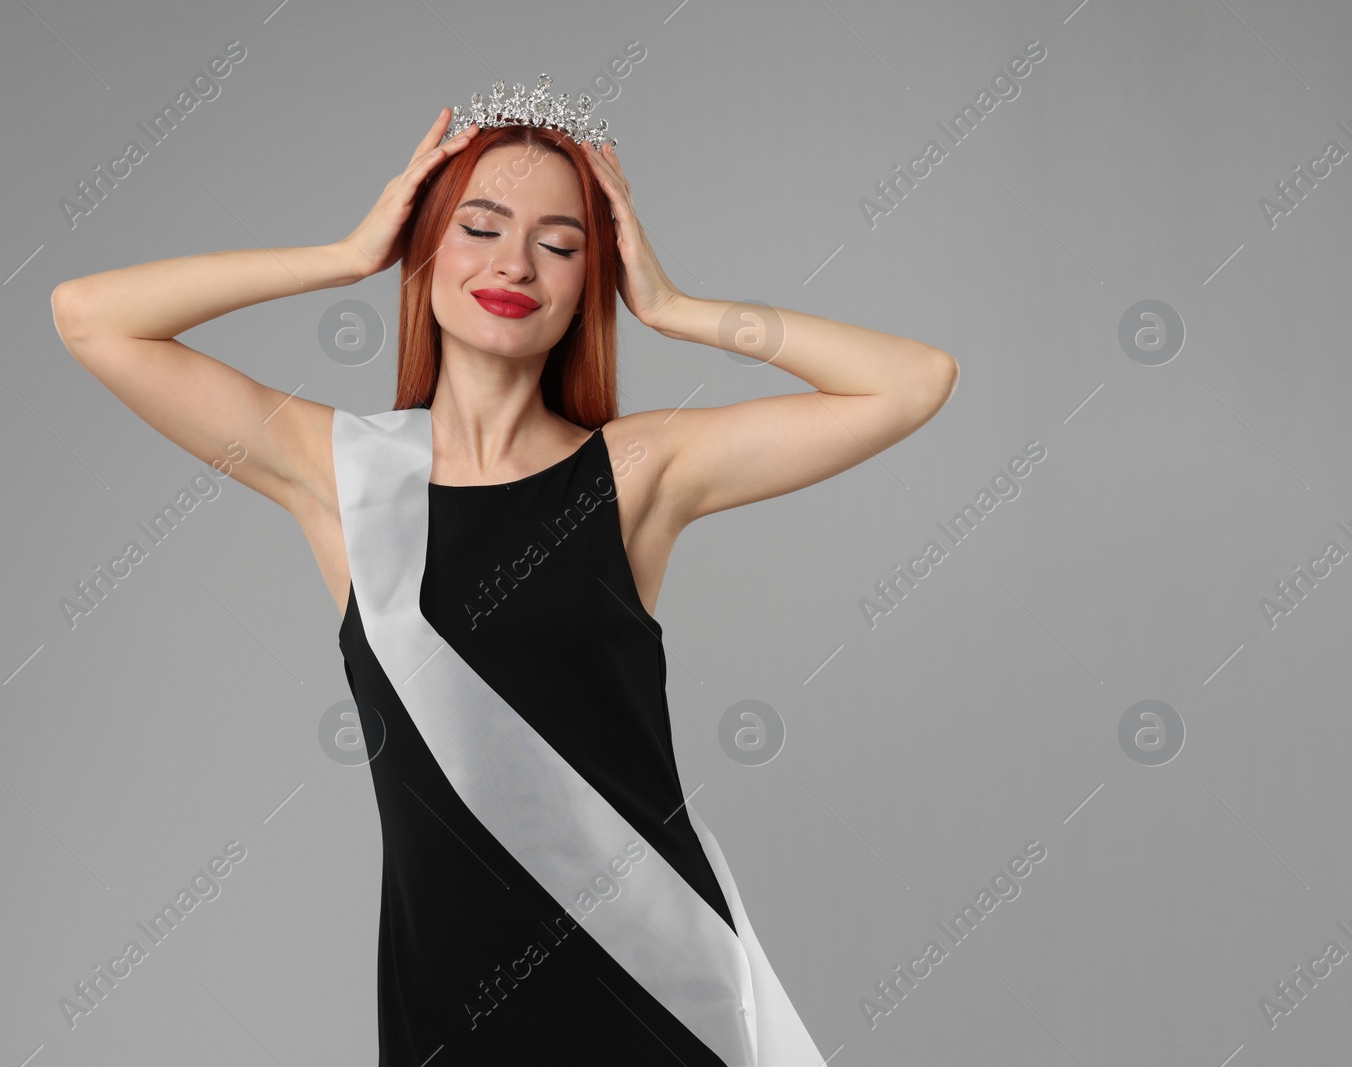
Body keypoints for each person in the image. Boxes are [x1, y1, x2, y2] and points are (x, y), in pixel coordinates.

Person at [51, 79, 956, 1066]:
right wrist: (345, 256)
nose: (514, 263)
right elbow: (91, 315)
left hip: (651, 983)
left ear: (588, 281)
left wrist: (676, 307)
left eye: (561, 244)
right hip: (449, 1007)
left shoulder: (637, 472)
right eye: (478, 227)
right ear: (423, 244)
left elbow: (914, 380)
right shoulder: (341, 473)